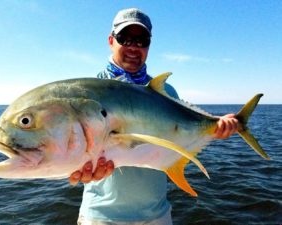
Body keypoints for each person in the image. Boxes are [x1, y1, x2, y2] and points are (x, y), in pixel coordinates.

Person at [69, 8, 238, 225]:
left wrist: (216, 129)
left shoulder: (165, 91)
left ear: (149, 46)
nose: (133, 46)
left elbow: (183, 133)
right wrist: (72, 168)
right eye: (125, 38)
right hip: (102, 216)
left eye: (141, 40)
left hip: (157, 215)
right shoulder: (90, 93)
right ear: (111, 41)